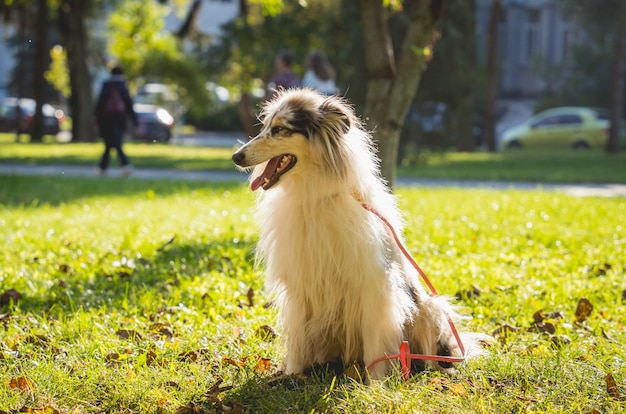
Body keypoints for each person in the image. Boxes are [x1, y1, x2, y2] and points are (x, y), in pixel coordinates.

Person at [94, 65, 138, 176]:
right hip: (119, 118)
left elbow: (100, 102)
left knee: (111, 142)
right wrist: (134, 121)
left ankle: (107, 167)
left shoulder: (106, 85)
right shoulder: (122, 86)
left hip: (106, 119)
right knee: (113, 142)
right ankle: (118, 166)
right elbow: (128, 104)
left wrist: (96, 117)